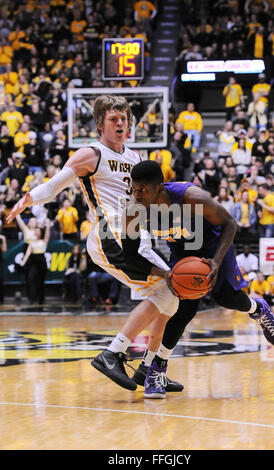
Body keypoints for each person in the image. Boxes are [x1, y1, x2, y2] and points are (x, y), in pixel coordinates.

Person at [6, 94, 180, 395]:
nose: (120, 123)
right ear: (100, 123)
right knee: (168, 294)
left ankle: (151, 369)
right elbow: (54, 186)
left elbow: (142, 204)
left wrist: (163, 228)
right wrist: (28, 199)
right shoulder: (91, 154)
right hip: (108, 237)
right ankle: (113, 354)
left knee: (174, 296)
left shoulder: (136, 159)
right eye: (114, 119)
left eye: (124, 118)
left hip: (137, 237)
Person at [128, 161, 274, 397]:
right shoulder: (134, 209)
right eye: (134, 188)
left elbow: (230, 223)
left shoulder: (191, 197)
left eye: (143, 189)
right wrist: (164, 273)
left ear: (160, 187)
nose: (137, 195)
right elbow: (129, 255)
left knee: (227, 299)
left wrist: (216, 262)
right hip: (183, 252)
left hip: (214, 244)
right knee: (183, 309)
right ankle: (156, 369)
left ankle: (257, 308)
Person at [21, 220, 50, 305]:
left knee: (41, 281)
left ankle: (41, 299)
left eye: (38, 231)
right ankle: (32, 298)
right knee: (31, 278)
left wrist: (48, 225)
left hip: (42, 263)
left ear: (41, 233)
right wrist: (23, 262)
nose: (36, 232)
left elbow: (47, 235)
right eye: (36, 231)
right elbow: (27, 254)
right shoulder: (31, 243)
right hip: (33, 263)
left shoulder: (43, 242)